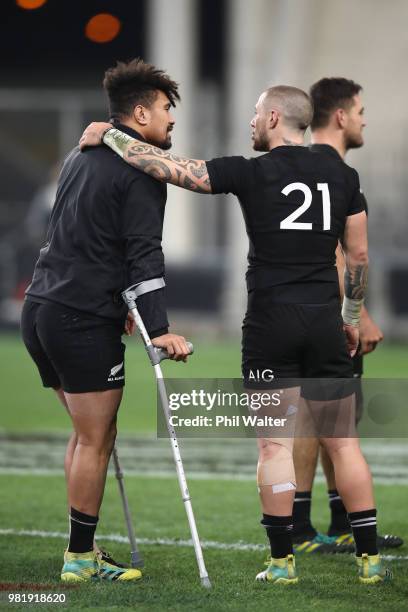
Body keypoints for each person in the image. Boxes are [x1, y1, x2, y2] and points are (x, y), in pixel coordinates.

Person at [79, 85, 392, 585]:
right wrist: (351, 317)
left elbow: (174, 169)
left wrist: (114, 137)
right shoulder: (342, 173)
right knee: (344, 443)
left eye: (253, 114)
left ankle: (281, 563)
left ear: (272, 118)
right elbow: (357, 256)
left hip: (270, 324)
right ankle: (371, 561)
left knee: (274, 447)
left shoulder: (252, 170)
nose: (250, 122)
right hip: (322, 320)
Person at [21, 58, 191, 583]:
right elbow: (144, 255)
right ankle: (78, 558)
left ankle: (82, 548)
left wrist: (120, 305)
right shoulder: (142, 172)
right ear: (139, 113)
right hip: (79, 318)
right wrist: (157, 327)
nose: (171, 120)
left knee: (84, 435)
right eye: (166, 110)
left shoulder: (81, 152)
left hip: (42, 308)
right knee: (97, 439)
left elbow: (89, 235)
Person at [291, 77, 403, 553]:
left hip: (312, 311)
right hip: (322, 316)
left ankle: (341, 523)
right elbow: (333, 252)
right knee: (317, 420)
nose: (363, 119)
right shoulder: (328, 169)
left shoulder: (314, 164)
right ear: (340, 116)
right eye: (359, 110)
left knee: (336, 422)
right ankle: (297, 527)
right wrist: (357, 313)